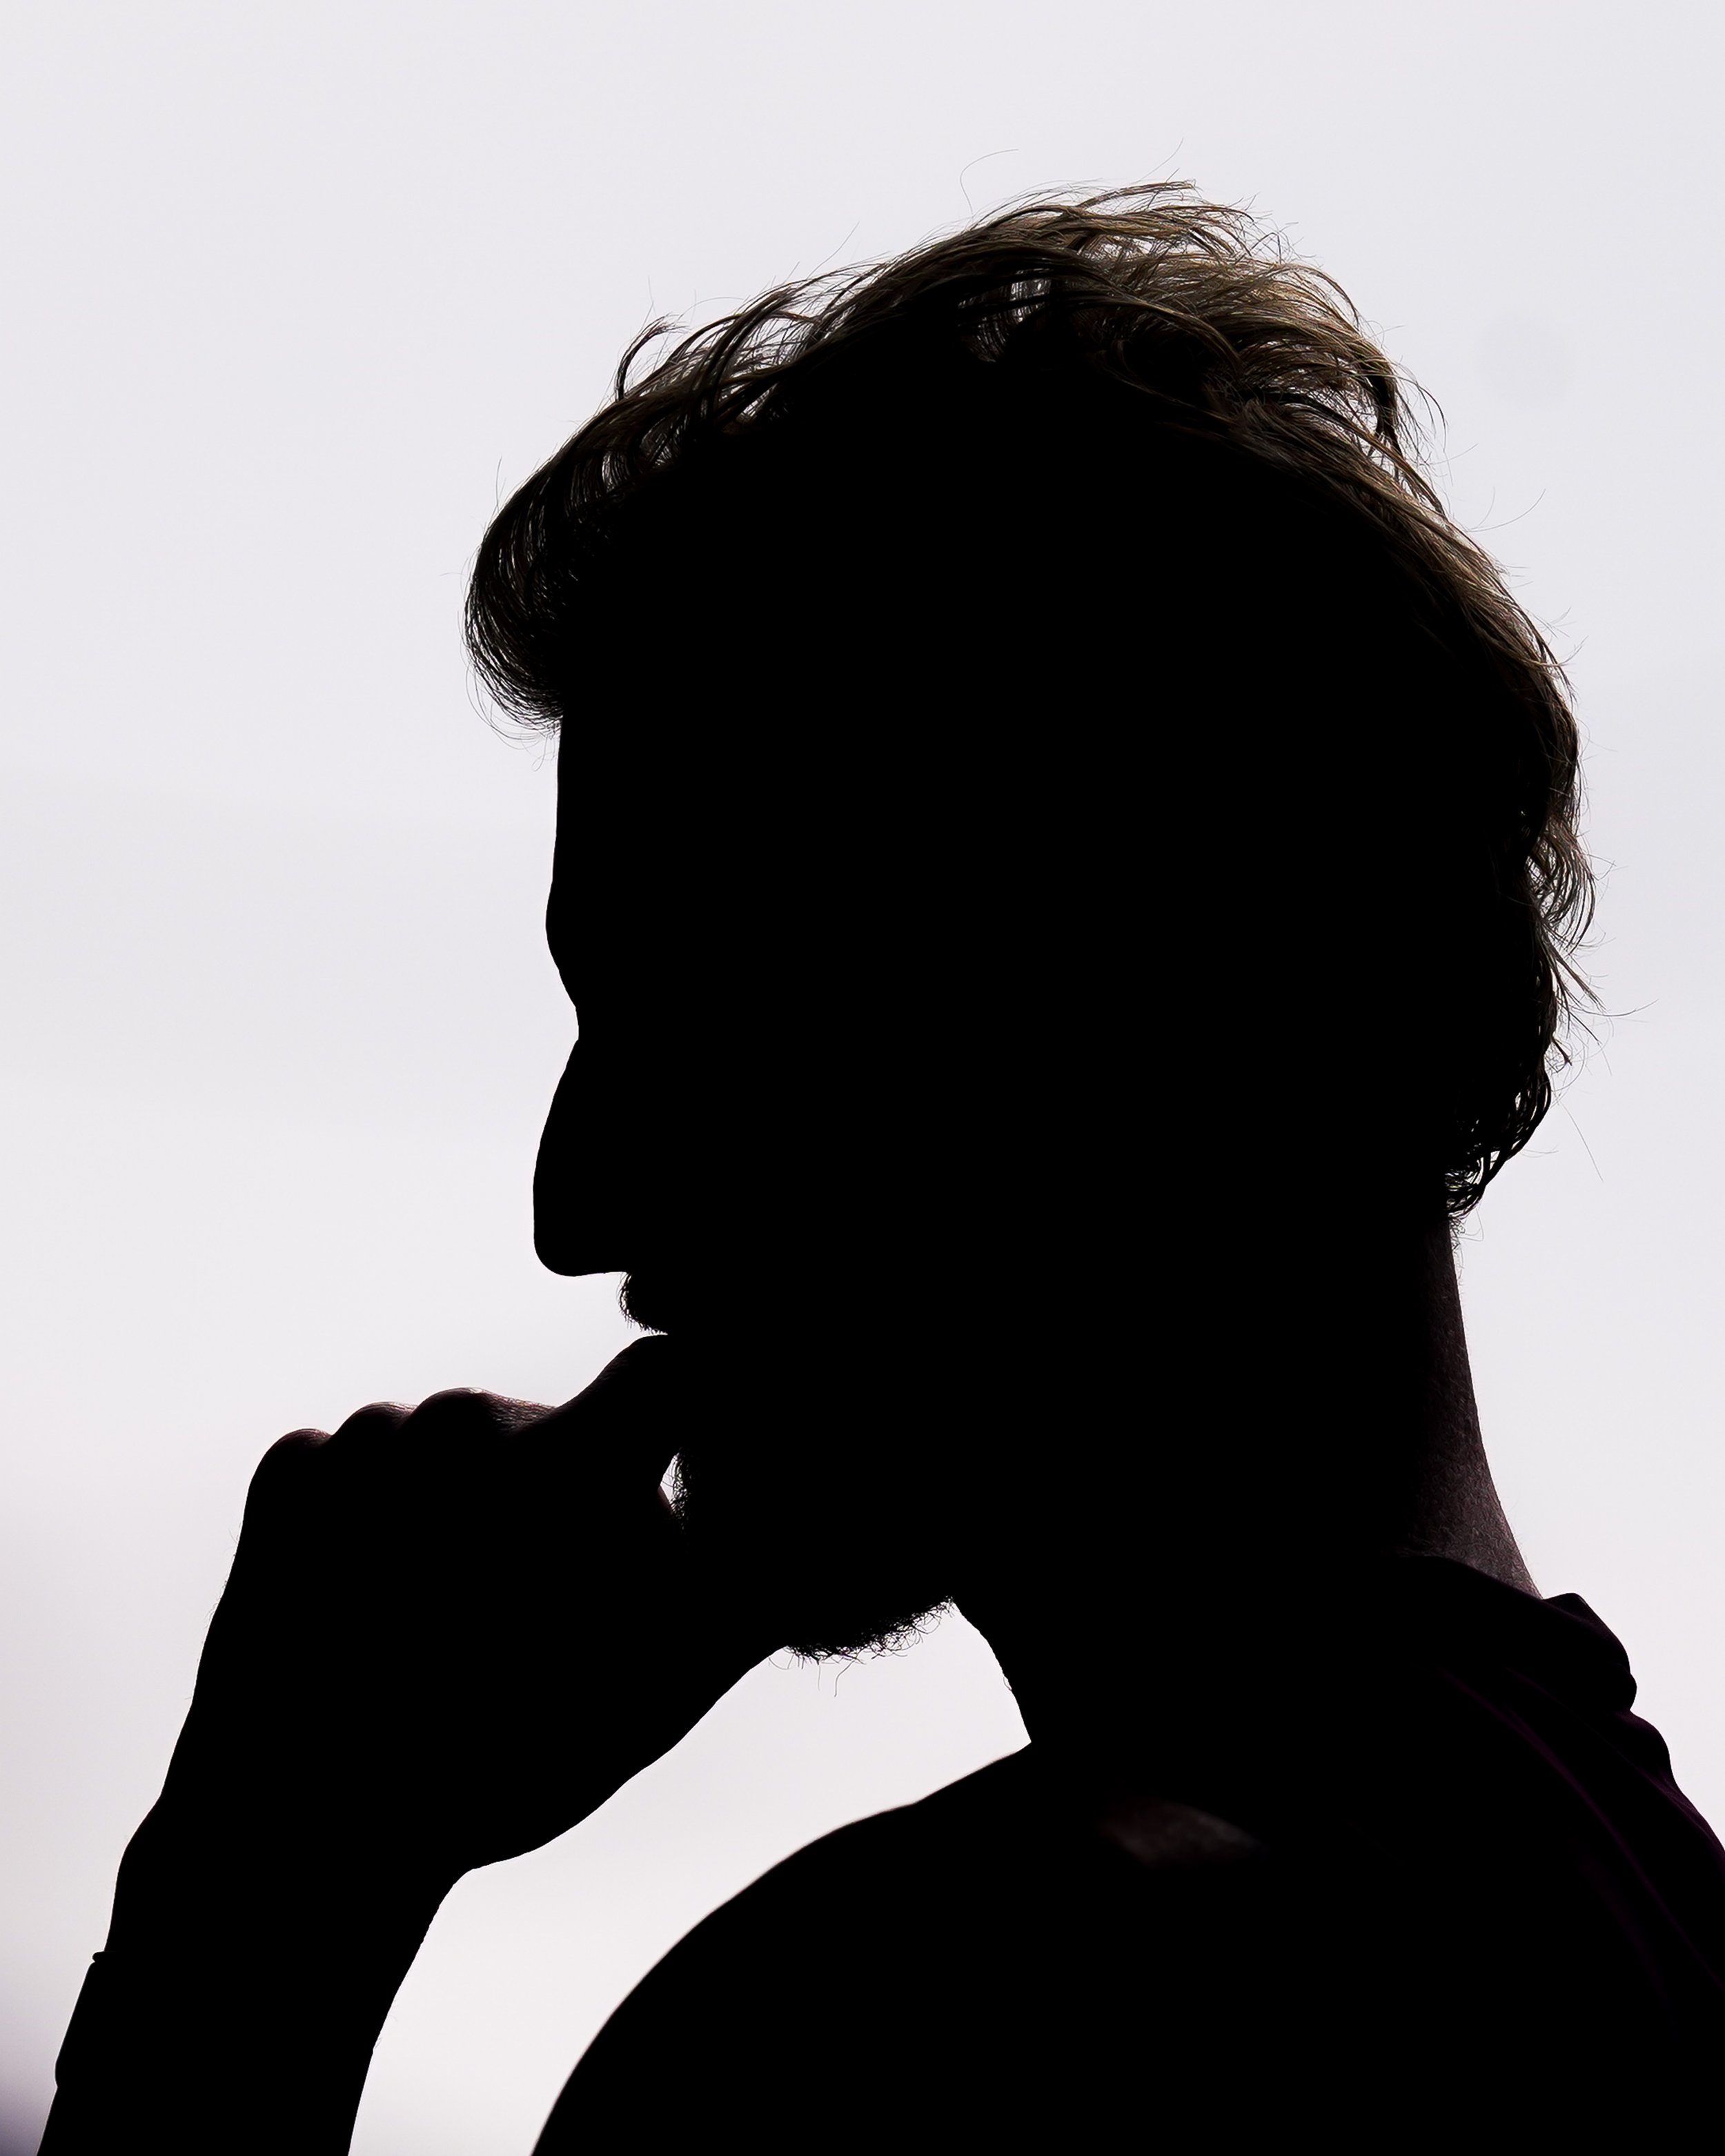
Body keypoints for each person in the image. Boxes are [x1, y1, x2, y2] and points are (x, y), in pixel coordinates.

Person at [41, 186, 1725, 2151]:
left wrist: (267, 1892)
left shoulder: (955, 2008)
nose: (575, 1202)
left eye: (711, 1017)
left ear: (1149, 1007)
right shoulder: (1638, 1935)